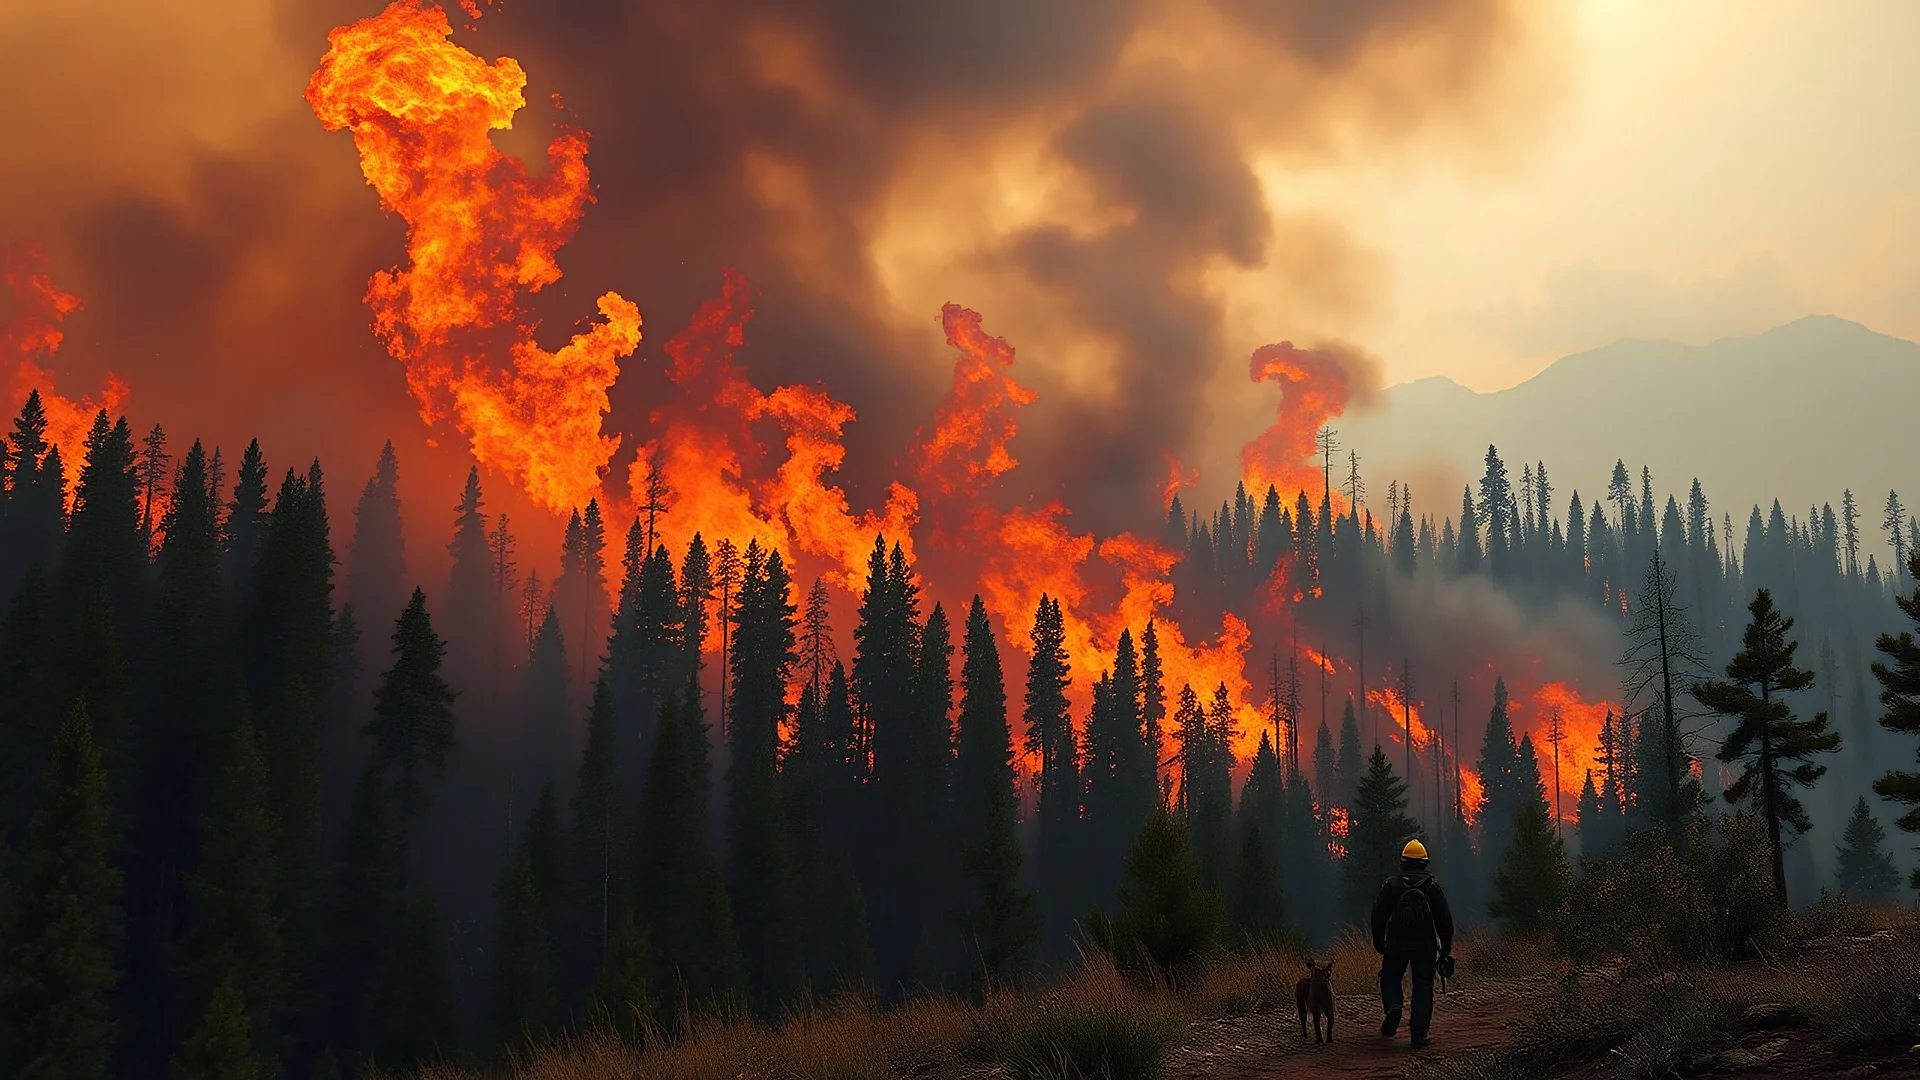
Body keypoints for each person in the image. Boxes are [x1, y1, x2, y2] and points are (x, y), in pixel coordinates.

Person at [1370, 838, 1453, 1049]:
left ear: (1403, 862)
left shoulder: (1392, 885)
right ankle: (1419, 1036)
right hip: (1425, 946)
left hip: (1396, 944)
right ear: (1424, 863)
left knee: (1389, 978)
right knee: (1423, 986)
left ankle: (1394, 1007)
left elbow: (1378, 916)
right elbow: (1444, 920)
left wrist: (1379, 942)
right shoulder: (1432, 887)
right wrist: (1445, 947)